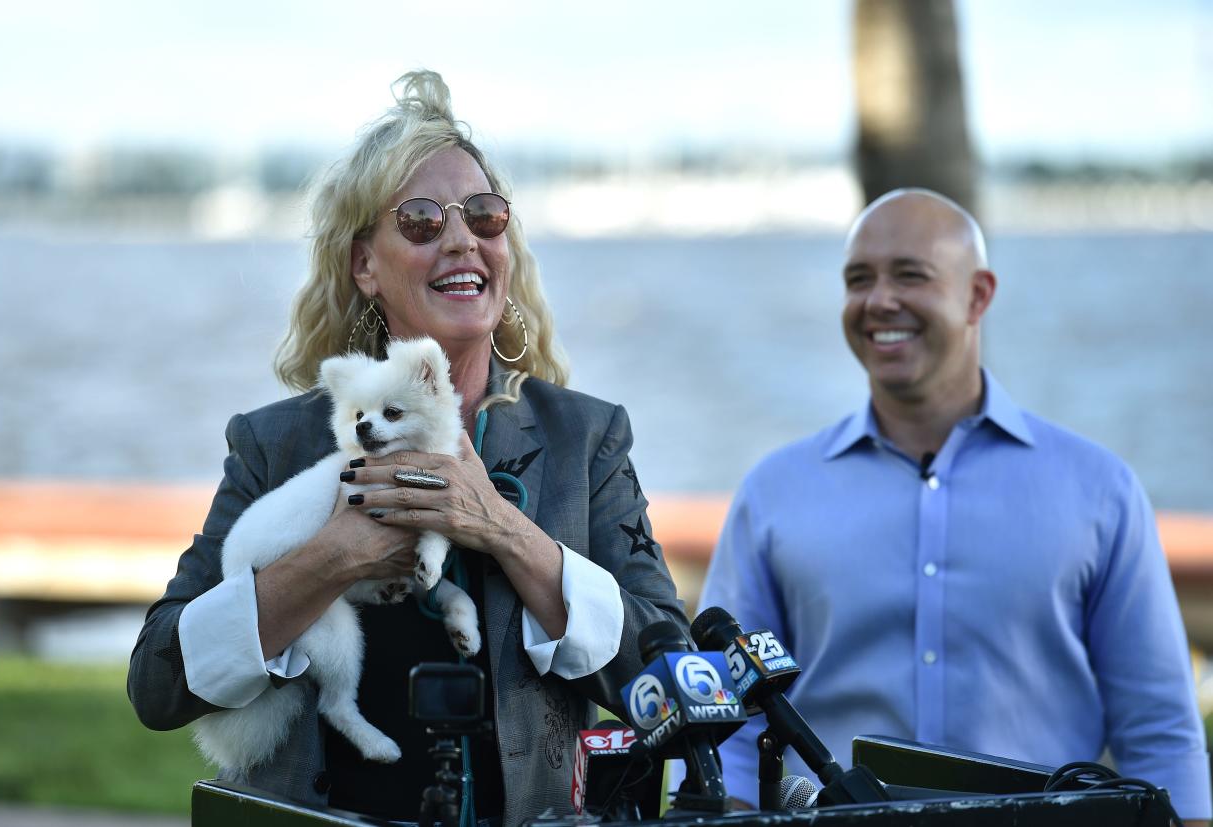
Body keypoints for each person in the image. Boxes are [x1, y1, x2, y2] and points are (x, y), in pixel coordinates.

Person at [127, 70, 685, 827]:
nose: (462, 239)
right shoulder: (277, 443)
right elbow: (159, 684)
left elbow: (674, 681)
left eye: (485, 216)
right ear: (365, 266)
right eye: (422, 220)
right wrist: (334, 555)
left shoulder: (586, 438)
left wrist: (501, 526)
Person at [700, 188, 1211, 822]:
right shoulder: (772, 493)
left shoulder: (1099, 490)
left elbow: (1158, 727)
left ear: (979, 295)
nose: (878, 300)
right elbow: (730, 728)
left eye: (909, 275)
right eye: (859, 279)